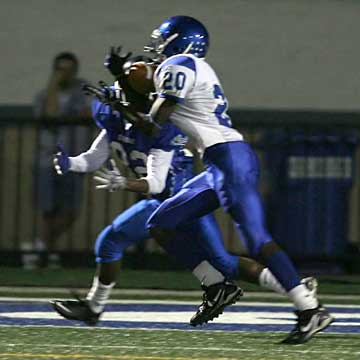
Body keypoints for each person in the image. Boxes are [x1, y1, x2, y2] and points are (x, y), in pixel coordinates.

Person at [121, 16, 335, 344]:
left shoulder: (180, 63)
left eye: (161, 40)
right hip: (218, 163)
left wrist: (120, 107)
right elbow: (154, 110)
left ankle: (309, 309)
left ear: (180, 42)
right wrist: (121, 84)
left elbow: (154, 125)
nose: (156, 48)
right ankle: (216, 284)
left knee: (257, 241)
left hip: (229, 159)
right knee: (162, 222)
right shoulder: (188, 68)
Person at [50, 66, 303, 327]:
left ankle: (295, 291)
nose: (116, 105)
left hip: (180, 201)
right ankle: (95, 307)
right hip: (162, 204)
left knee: (224, 263)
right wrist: (68, 163)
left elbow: (156, 184)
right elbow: (93, 158)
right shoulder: (115, 122)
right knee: (111, 243)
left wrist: (124, 182)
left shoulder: (162, 128)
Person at [33, 52, 91, 267]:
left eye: (68, 70)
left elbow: (88, 114)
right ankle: (46, 254)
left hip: (73, 159)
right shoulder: (45, 95)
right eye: (59, 70)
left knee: (70, 211)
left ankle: (42, 246)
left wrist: (66, 118)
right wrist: (54, 85)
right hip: (46, 160)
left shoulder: (83, 89)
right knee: (48, 210)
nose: (64, 74)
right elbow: (49, 114)